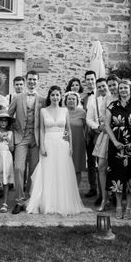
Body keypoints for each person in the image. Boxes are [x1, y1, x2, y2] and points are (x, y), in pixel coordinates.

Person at [27, 86, 89, 216]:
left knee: (62, 172)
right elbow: (42, 130)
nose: (55, 97)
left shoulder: (64, 110)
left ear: (60, 97)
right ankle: (48, 203)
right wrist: (42, 146)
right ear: (49, 97)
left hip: (62, 145)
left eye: (57, 95)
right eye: (53, 95)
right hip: (48, 143)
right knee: (48, 172)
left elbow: (68, 129)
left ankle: (62, 202)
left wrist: (71, 145)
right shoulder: (43, 111)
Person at [104, 79, 131, 220]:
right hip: (116, 147)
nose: (122, 90)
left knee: (130, 177)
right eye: (120, 88)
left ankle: (128, 206)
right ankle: (118, 206)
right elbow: (107, 125)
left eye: (125, 88)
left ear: (130, 89)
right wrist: (114, 141)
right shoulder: (112, 106)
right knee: (117, 176)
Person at [8, 70, 45, 214]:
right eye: (29, 79)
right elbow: (8, 115)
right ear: (26, 80)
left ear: (38, 81)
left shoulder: (42, 100)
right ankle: (19, 200)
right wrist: (12, 131)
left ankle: (31, 200)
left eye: (34, 80)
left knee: (34, 171)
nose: (32, 82)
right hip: (21, 137)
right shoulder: (17, 98)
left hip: (36, 138)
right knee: (18, 168)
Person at [86, 77, 110, 209]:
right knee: (101, 166)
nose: (102, 88)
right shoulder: (93, 101)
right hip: (101, 135)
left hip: (116, 135)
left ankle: (114, 196)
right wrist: (97, 127)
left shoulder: (115, 98)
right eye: (99, 87)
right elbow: (88, 119)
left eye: (103, 86)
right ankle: (103, 196)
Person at [0, 112, 14, 213]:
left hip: (7, 155)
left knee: (6, 180)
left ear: (8, 122)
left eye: (5, 121)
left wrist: (8, 140)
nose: (3, 123)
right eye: (1, 120)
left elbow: (12, 148)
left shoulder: (10, 133)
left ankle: (5, 202)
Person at [82, 70, 98, 198]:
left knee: (102, 162)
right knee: (91, 162)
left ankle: (104, 192)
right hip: (89, 133)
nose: (90, 82)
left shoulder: (103, 94)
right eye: (88, 79)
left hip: (100, 132)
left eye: (92, 79)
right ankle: (93, 187)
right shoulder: (84, 98)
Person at [65, 91, 86, 185]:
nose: (71, 100)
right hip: (65, 142)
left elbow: (86, 128)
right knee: (65, 166)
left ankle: (76, 190)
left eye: (73, 99)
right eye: (69, 99)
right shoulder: (62, 111)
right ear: (65, 100)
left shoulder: (82, 112)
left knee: (77, 167)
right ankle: (65, 188)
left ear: (77, 101)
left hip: (78, 142)